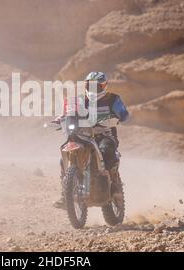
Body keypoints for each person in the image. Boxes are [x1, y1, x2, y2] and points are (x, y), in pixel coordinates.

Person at [53, 71, 129, 209]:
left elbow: (124, 114)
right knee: (63, 156)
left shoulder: (112, 99)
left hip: (104, 135)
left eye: (97, 86)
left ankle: (115, 186)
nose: (94, 89)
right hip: (82, 135)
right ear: (86, 86)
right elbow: (66, 113)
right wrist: (58, 120)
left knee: (107, 152)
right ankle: (66, 195)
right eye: (90, 86)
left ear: (104, 86)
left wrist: (116, 118)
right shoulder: (79, 100)